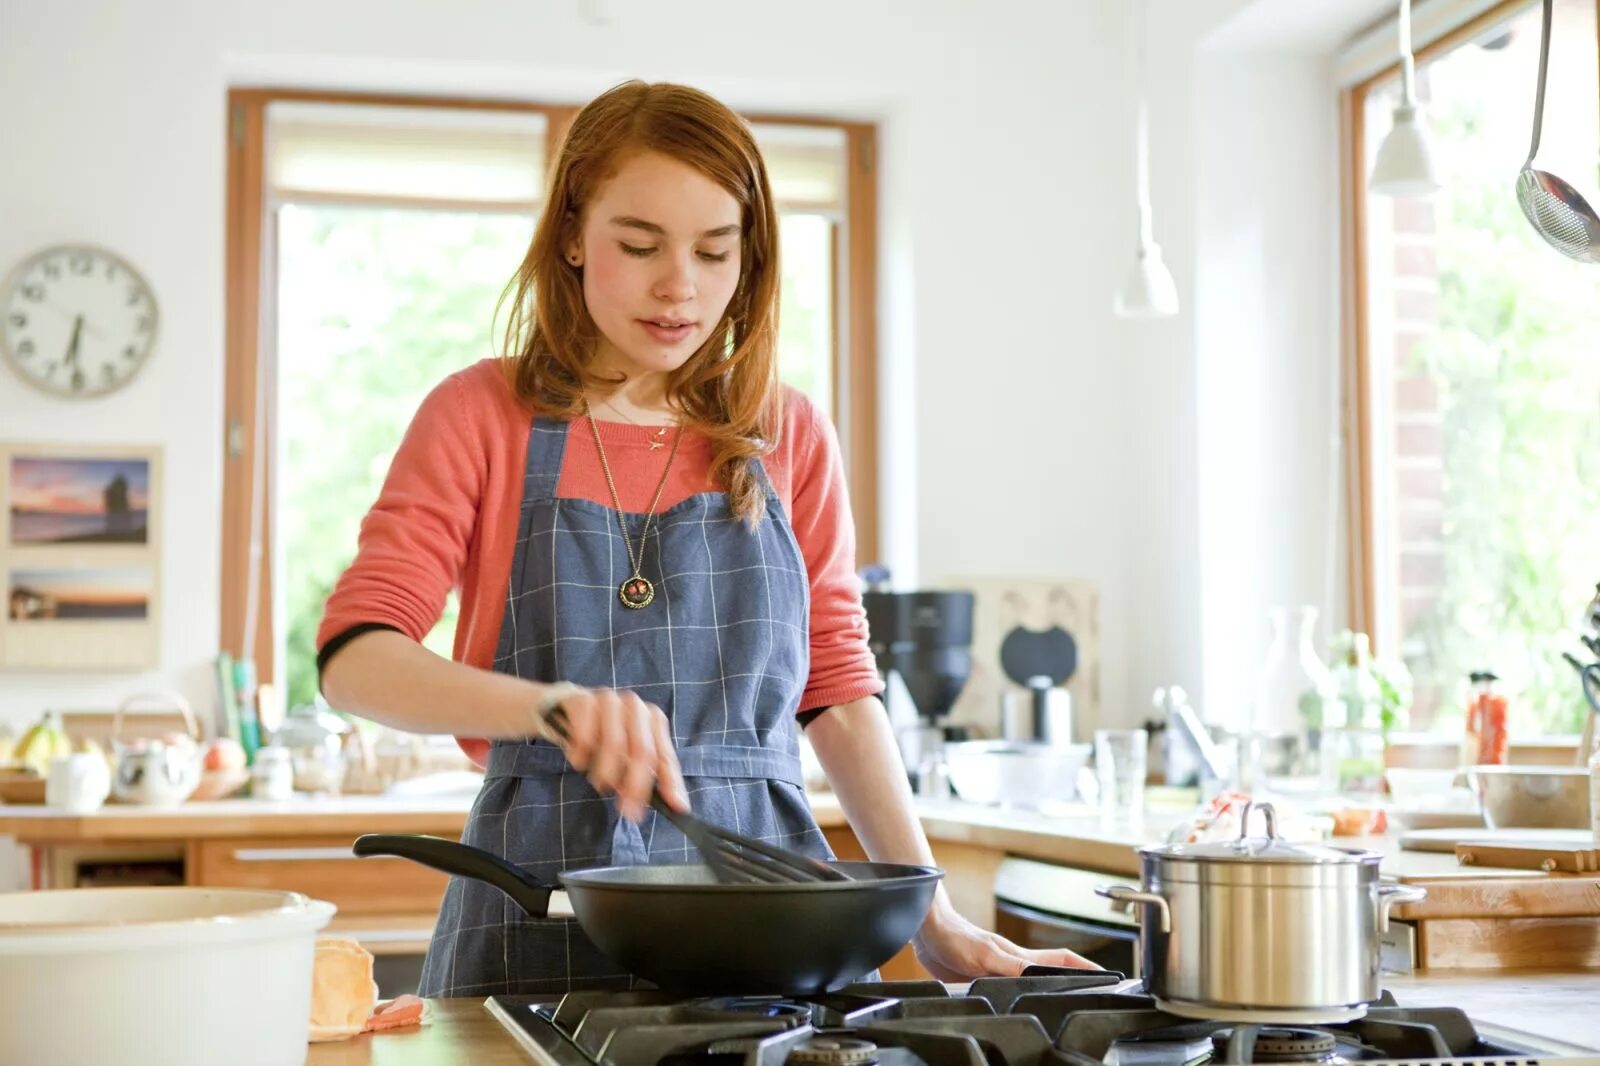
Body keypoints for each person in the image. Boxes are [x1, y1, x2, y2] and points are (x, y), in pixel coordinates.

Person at [317, 80, 1093, 996]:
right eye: (638, 245)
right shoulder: (482, 414)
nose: (679, 286)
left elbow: (836, 686)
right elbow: (355, 660)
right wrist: (549, 708)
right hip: (539, 902)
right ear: (571, 235)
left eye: (714, 251)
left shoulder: (787, 431)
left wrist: (931, 913)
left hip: (765, 906)